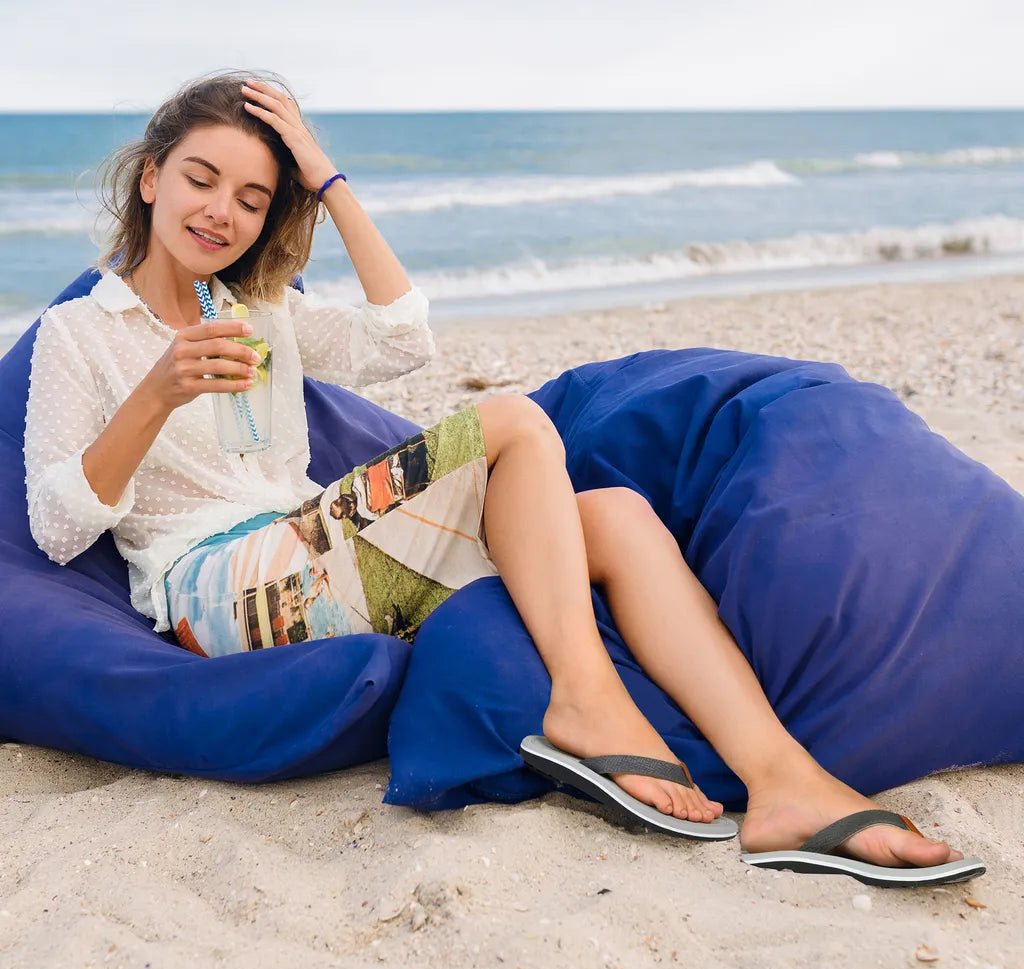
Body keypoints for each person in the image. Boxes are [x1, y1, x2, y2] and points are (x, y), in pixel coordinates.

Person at [23, 72, 975, 884]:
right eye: (200, 178)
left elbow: (404, 337)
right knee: (515, 423)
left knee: (615, 513)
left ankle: (782, 784)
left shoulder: (262, 311)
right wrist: (153, 395)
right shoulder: (81, 336)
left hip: (313, 547)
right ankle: (585, 699)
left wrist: (328, 177)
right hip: (220, 594)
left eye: (252, 195)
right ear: (149, 179)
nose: (220, 210)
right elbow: (58, 526)